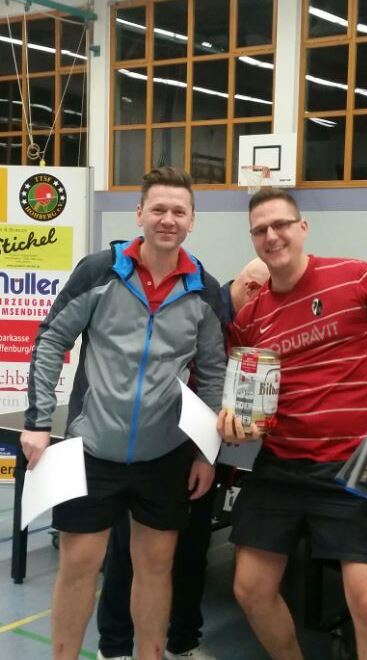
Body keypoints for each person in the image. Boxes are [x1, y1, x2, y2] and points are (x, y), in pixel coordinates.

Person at [217, 188, 367, 660]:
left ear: (303, 228)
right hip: (282, 465)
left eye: (281, 224)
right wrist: (237, 425)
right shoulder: (252, 318)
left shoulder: (359, 277)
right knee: (250, 588)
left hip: (360, 460)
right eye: (260, 230)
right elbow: (249, 402)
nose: (272, 236)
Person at [20, 167, 227, 660]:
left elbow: (214, 373)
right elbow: (51, 339)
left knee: (155, 569)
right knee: (79, 566)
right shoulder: (100, 271)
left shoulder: (204, 289)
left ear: (192, 220)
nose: (168, 219)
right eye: (158, 209)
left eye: (178, 211)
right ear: (139, 214)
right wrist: (38, 423)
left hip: (164, 456)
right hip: (91, 449)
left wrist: (205, 453)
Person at [96, 258, 270, 660]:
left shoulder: (250, 324)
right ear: (252, 289)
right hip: (151, 453)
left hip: (204, 458)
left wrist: (213, 448)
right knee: (128, 553)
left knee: (192, 552)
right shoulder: (198, 301)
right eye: (268, 297)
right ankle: (115, 648)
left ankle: (182, 643)